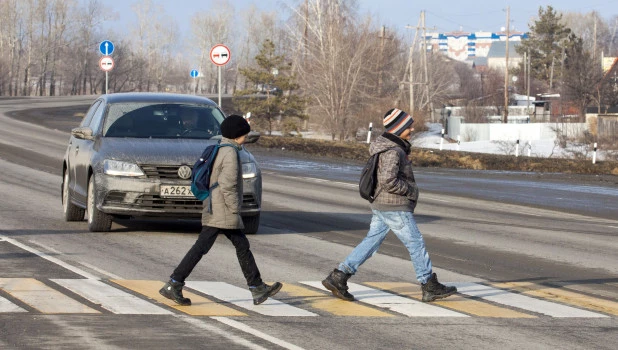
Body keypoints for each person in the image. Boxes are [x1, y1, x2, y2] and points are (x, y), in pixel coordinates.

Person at [322, 108, 457, 303]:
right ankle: (429, 285)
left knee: (371, 241)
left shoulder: (390, 147)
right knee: (416, 243)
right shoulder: (393, 151)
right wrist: (411, 191)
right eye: (408, 126)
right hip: (394, 205)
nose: (411, 129)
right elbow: (388, 180)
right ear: (398, 127)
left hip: (382, 204)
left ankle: (339, 276)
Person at [160, 114, 282, 306]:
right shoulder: (231, 153)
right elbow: (227, 185)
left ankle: (257, 287)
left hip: (215, 206)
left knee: (237, 246)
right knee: (214, 247)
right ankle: (174, 283)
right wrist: (235, 209)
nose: (246, 138)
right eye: (244, 135)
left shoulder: (222, 149)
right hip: (222, 209)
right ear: (237, 136)